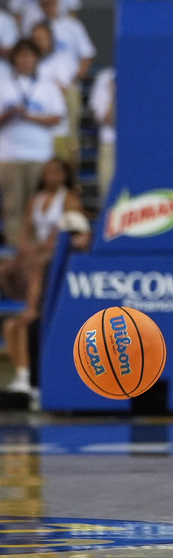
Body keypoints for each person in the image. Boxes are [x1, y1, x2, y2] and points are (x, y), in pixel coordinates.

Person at [0, 158, 84, 394]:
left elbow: (61, 238)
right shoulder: (35, 200)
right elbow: (26, 232)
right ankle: (22, 374)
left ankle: (34, 307)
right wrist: (24, 249)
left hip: (57, 255)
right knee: (6, 272)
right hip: (39, 251)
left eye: (56, 172)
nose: (51, 177)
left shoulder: (69, 200)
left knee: (38, 269)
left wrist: (38, 252)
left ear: (65, 175)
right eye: (47, 173)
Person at [0, 40, 67, 246]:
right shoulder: (3, 85)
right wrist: (9, 115)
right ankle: (15, 249)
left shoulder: (47, 87)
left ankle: (39, 250)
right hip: (10, 155)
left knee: (39, 207)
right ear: (14, 60)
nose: (25, 60)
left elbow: (58, 118)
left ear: (36, 59)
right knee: (13, 206)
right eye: (20, 56)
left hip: (40, 155)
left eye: (29, 56)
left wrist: (30, 117)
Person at [31, 22, 80, 164]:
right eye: (35, 39)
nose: (38, 42)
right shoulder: (28, 63)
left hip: (58, 128)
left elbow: (62, 91)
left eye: (42, 38)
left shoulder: (63, 60)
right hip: (34, 129)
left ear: (50, 39)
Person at [32, 0, 94, 83]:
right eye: (44, 4)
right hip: (44, 84)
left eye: (49, 3)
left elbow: (87, 54)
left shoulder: (73, 25)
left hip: (69, 83)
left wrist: (76, 80)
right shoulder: (37, 28)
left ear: (57, 2)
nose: (48, 7)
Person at [87, 67, 116, 204]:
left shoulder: (146, 74)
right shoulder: (105, 77)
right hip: (109, 143)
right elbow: (106, 119)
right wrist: (116, 95)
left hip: (138, 144)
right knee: (107, 196)